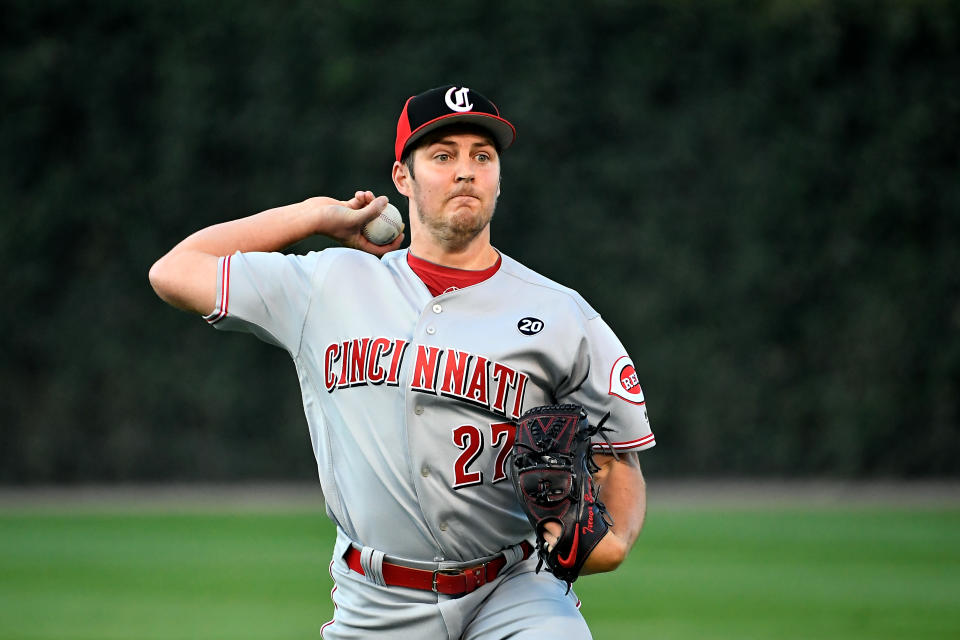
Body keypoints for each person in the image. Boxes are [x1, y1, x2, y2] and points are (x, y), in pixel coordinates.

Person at [149, 84, 655, 639]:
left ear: (498, 177)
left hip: (516, 590)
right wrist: (315, 214)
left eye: (481, 156)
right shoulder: (328, 284)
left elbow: (619, 456)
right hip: (378, 602)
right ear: (402, 179)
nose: (466, 171)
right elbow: (174, 272)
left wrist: (613, 543)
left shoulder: (561, 315)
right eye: (443, 156)